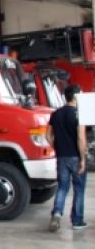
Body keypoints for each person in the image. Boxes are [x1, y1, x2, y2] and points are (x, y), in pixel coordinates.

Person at [47, 84, 88, 232]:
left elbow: (48, 135)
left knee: (63, 187)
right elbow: (81, 139)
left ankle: (57, 213)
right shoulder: (79, 113)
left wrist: (57, 147)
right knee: (79, 189)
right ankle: (77, 221)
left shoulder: (55, 114)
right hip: (75, 157)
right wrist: (83, 159)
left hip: (61, 157)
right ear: (76, 96)